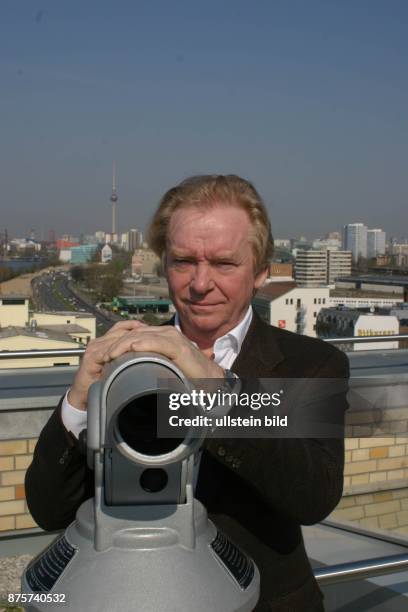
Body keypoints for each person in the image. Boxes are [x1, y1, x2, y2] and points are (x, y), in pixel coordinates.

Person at [25, 174, 349, 611]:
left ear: (261, 273)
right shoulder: (129, 363)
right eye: (183, 261)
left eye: (224, 263)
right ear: (164, 267)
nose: (200, 283)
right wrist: (79, 402)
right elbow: (49, 512)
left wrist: (216, 391)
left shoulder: (309, 365)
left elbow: (313, 496)